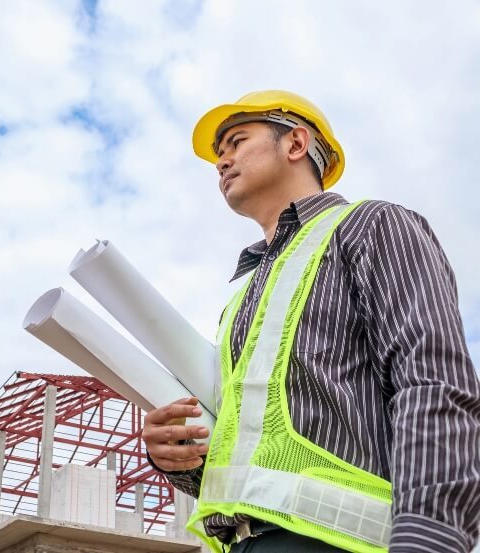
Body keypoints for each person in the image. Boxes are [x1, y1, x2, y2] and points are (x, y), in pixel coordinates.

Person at [141, 90, 480, 552]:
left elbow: (433, 382)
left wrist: (432, 538)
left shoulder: (372, 226)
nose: (222, 162)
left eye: (237, 141)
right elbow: (254, 457)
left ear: (296, 143)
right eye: (219, 154)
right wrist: (182, 460)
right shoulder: (241, 298)